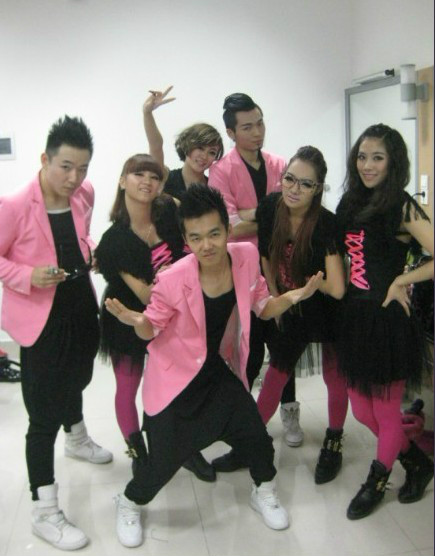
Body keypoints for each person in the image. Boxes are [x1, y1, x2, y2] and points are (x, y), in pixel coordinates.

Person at [105, 184, 324, 547]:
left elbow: (262, 306)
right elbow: (151, 328)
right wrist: (136, 320)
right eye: (195, 238)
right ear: (186, 240)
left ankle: (264, 489)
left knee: (256, 436)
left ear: (227, 229)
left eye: (214, 234)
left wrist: (293, 296)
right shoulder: (173, 278)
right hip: (175, 379)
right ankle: (128, 502)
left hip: (214, 370)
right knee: (161, 463)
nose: (206, 245)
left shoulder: (245, 256)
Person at [0, 116, 112, 550]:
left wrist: (91, 252)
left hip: (79, 302)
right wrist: (27, 275)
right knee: (43, 413)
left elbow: (81, 236)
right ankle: (44, 510)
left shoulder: (84, 193)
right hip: (39, 318)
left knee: (79, 376)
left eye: (82, 168)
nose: (74, 178)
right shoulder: (13, 205)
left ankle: (77, 438)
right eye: (66, 166)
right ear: (44, 159)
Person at [95, 153, 215, 482]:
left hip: (174, 316)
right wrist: (177, 280)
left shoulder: (169, 217)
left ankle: (185, 448)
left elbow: (192, 256)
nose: (147, 182)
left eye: (154, 176)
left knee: (180, 384)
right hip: (128, 317)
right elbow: (146, 296)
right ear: (123, 181)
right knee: (128, 385)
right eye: (139, 175)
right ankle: (138, 452)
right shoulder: (113, 241)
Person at [335, 123, 434, 520]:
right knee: (362, 411)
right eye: (362, 156)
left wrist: (402, 280)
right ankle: (417, 462)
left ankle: (377, 481)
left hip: (388, 320)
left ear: (393, 162)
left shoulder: (402, 206)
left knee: (387, 411)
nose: (368, 165)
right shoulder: (350, 202)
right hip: (356, 318)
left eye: (377, 157)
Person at [208, 92, 301, 471]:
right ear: (231, 133)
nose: (257, 132)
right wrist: (269, 214)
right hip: (244, 273)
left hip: (283, 267)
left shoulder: (280, 164)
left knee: (285, 345)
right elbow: (228, 228)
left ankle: (290, 413)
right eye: (247, 127)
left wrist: (251, 215)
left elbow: (295, 213)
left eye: (260, 123)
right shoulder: (222, 171)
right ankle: (245, 421)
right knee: (249, 351)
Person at [255, 146, 348, 485]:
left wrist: (312, 285)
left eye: (305, 184)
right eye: (290, 179)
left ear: (317, 188)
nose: (294, 189)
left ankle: (334, 442)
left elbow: (337, 289)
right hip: (291, 304)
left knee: (335, 377)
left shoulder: (326, 223)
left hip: (326, 309)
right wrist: (277, 299)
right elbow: (266, 257)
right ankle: (252, 439)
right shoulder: (271, 208)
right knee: (276, 373)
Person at [143, 85, 224, 201]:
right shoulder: (166, 176)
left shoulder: (213, 188)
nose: (204, 156)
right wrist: (147, 113)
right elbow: (156, 145)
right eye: (200, 148)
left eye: (212, 152)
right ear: (187, 145)